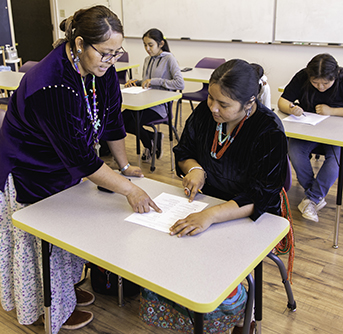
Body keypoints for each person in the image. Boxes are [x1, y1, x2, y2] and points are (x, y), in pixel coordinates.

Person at [0, 5, 160, 334]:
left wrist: (125, 167)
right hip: (29, 169)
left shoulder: (101, 69)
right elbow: (83, 160)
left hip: (62, 166)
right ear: (80, 43)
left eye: (117, 52)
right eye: (106, 53)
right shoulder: (50, 83)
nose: (112, 60)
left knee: (67, 236)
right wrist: (129, 189)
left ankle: (63, 293)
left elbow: (111, 122)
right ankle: (47, 307)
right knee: (40, 241)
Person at [139, 59, 288, 333]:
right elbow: (183, 151)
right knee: (169, 248)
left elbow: (261, 195)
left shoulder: (268, 130)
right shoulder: (206, 114)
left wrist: (210, 215)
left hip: (247, 214)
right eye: (210, 98)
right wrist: (194, 169)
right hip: (206, 202)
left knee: (213, 269)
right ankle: (191, 316)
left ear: (249, 103)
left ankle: (236, 315)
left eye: (224, 104)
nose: (214, 108)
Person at [278, 53, 343, 222]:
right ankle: (313, 197)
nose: (320, 87)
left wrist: (332, 111)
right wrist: (292, 108)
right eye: (315, 82)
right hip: (309, 128)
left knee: (335, 159)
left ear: (335, 76)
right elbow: (283, 101)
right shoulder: (302, 76)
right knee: (294, 150)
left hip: (335, 132)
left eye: (326, 83)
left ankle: (312, 198)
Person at [122, 28, 185, 161]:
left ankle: (150, 144)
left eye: (150, 45)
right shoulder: (147, 60)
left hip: (160, 108)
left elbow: (180, 84)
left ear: (161, 44)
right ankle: (152, 138)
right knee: (121, 119)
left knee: (133, 122)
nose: (147, 48)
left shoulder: (169, 59)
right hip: (144, 103)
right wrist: (136, 82)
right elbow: (146, 82)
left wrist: (156, 81)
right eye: (145, 45)